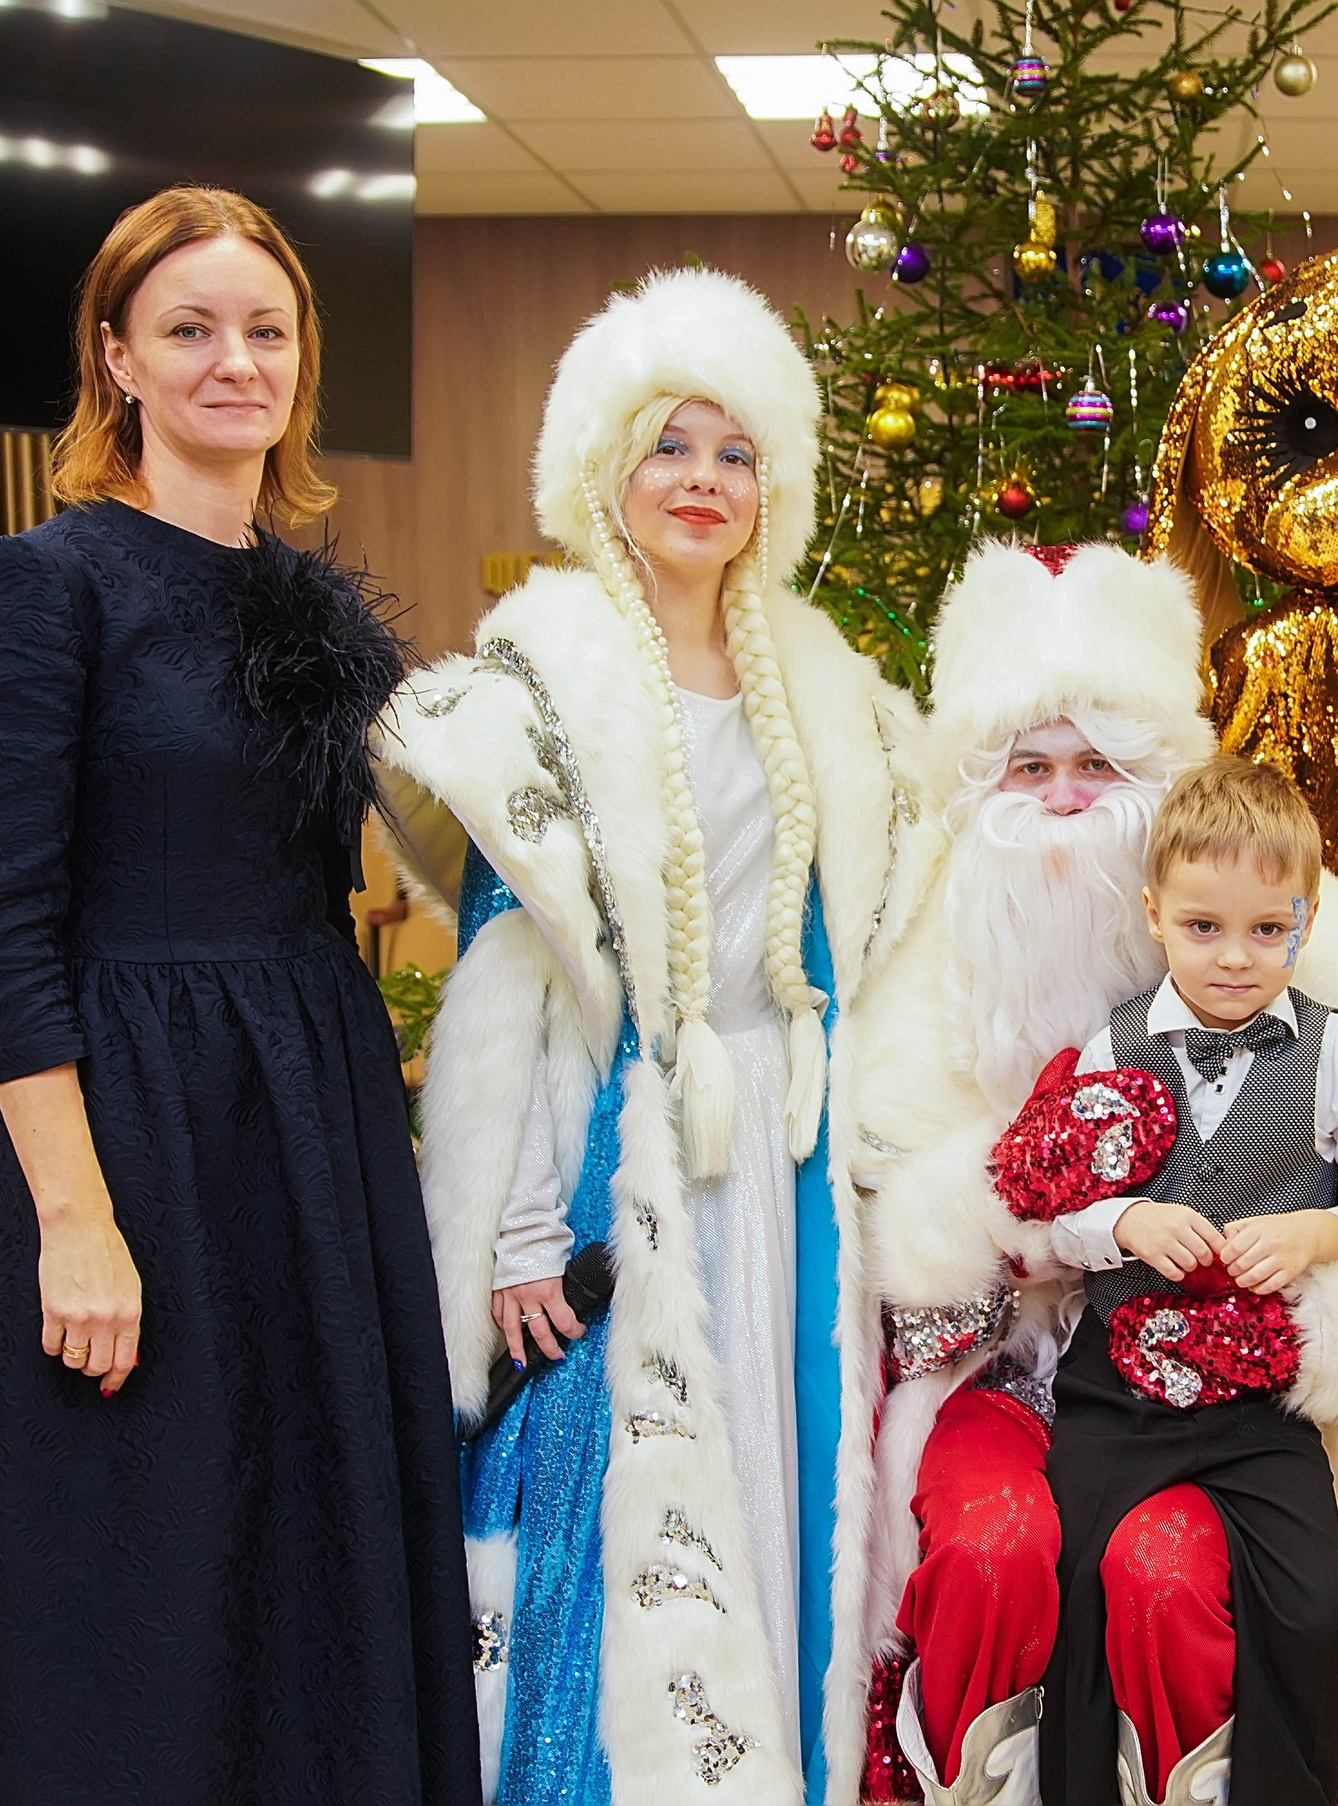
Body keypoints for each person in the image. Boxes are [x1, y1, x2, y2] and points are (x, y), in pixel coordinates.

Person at [0, 187, 477, 1804]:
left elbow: (455, 842)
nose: (233, 360)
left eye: (266, 329)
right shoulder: (43, 583)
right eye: (189, 328)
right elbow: (5, 926)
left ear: (303, 361)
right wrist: (77, 1220)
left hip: (312, 1106)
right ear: (117, 359)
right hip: (137, 1124)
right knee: (155, 1538)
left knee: (312, 1523)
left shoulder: (320, 604)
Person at [830, 545, 1338, 1806]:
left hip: (1229, 1396)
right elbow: (880, 1271)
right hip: (1004, 1379)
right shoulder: (906, 966)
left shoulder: (1323, 969)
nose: (1067, 800)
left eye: (1099, 766)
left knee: (1168, 1576)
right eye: (1030, 767)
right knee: (992, 1549)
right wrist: (993, 1231)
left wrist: (1311, 1270)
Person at [375, 268, 912, 1802]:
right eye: (670, 446)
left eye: (734, 452)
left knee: (780, 1489)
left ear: (774, 485)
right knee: (615, 1513)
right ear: (604, 467)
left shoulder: (833, 695)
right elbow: (506, 979)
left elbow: (880, 941)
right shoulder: (534, 685)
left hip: (786, 1167)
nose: (701, 479)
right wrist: (522, 1221)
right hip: (619, 1157)